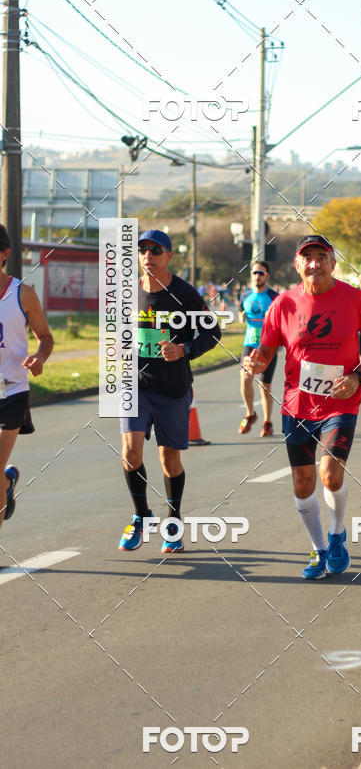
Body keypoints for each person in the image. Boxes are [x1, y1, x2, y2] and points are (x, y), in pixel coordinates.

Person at [243, 235, 361, 579]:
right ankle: (319, 549)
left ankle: (337, 535)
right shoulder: (284, 304)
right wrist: (256, 362)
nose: (314, 264)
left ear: (333, 263)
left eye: (322, 257)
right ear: (297, 264)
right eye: (308, 258)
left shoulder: (357, 300)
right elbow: (265, 350)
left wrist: (358, 376)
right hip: (297, 406)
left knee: (329, 474)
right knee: (303, 483)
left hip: (341, 402)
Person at [119, 230, 221, 554]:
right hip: (136, 386)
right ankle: (141, 516)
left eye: (155, 250)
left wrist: (185, 349)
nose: (148, 255)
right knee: (130, 452)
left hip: (173, 389)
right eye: (142, 250)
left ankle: (173, 521)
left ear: (169, 256)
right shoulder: (128, 294)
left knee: (168, 460)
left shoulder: (185, 294)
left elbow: (213, 332)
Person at [0, 224, 53, 532]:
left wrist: (40, 357)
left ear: (5, 254)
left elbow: (45, 336)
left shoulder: (23, 294)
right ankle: (6, 482)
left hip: (12, 391)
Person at [239, 261, 279, 436]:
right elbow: (242, 315)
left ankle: (267, 421)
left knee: (265, 386)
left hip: (268, 345)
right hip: (250, 343)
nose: (257, 276)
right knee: (245, 378)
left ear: (267, 276)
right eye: (255, 273)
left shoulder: (274, 297)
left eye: (261, 273)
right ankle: (250, 413)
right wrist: (241, 317)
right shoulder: (245, 296)